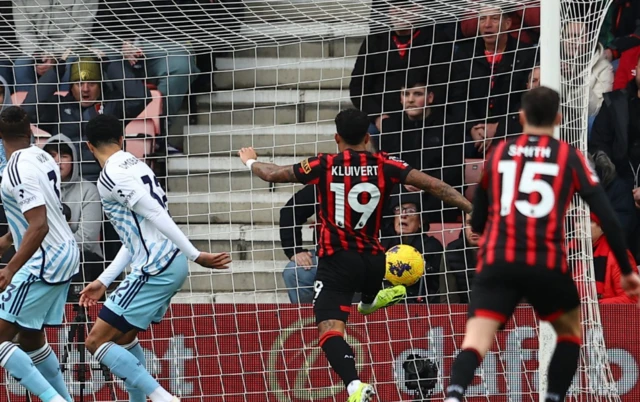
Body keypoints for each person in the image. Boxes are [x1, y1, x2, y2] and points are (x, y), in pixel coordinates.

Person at [238, 108, 473, 402]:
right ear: (367, 137)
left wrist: (251, 161)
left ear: (337, 138)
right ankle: (371, 299)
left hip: (337, 261)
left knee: (329, 331)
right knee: (365, 295)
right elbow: (436, 186)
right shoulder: (386, 164)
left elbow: (272, 173)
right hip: (375, 260)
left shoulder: (323, 164)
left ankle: (354, 385)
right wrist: (473, 211)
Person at [444, 86, 640, 402]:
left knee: (475, 342)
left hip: (499, 260)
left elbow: (478, 216)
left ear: (521, 118)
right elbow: (610, 220)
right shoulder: (570, 156)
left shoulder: (500, 153)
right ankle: (553, 398)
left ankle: (453, 396)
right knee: (570, 335)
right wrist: (628, 270)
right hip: (544, 262)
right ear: (559, 118)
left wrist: (483, 228)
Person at [77, 114, 231, 402]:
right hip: (168, 262)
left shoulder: (110, 176)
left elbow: (155, 214)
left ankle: (164, 398)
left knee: (96, 342)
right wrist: (104, 280)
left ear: (88, 146)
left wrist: (197, 254)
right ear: (122, 139)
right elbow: (135, 238)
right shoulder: (138, 165)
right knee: (123, 341)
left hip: (156, 266)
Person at [0, 106, 80, 402]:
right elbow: (38, 214)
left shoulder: (15, 169)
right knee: (31, 337)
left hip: (44, 259)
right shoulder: (43, 156)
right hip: (64, 253)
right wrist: (8, 240)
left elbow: (40, 225)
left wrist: (10, 268)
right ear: (31, 129)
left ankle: (54, 400)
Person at [22, 56, 148, 181]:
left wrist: (108, 65)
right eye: (79, 83)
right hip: (66, 182)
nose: (85, 89)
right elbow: (27, 110)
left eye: (92, 83)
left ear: (100, 85)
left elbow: (141, 97)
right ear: (71, 86)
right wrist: (56, 72)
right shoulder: (58, 107)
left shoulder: (113, 105)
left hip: (107, 179)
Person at [43, 135, 103, 259]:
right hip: (40, 257)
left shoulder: (88, 190)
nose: (57, 161)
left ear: (73, 160)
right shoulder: (34, 189)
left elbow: (86, 239)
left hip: (80, 257)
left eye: (64, 156)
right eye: (52, 156)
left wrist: (52, 253)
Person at [381, 195, 443, 304]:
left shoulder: (431, 246)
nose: (403, 215)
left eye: (411, 210)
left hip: (420, 304)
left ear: (421, 221)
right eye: (398, 210)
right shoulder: (383, 244)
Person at [280, 185, 318, 303]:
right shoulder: (326, 181)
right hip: (329, 258)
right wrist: (294, 250)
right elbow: (290, 211)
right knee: (294, 272)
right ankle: (308, 318)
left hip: (369, 257)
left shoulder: (375, 181)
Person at [590, 213, 639, 304]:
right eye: (577, 221)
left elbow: (632, 299)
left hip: (610, 315)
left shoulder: (618, 255)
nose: (580, 225)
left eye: (590, 221)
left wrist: (592, 305)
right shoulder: (569, 250)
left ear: (602, 227)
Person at [440, 213, 479, 304]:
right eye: (469, 223)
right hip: (464, 313)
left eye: (480, 223)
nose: (473, 229)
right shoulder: (452, 251)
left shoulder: (506, 251)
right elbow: (449, 299)